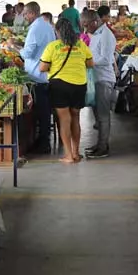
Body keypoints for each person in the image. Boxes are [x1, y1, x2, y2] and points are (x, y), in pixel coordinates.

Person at [39, 17, 94, 164]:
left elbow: (42, 68)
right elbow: (90, 64)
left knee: (64, 120)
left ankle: (68, 155)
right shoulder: (81, 45)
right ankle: (76, 153)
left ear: (57, 31)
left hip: (59, 86)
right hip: (79, 85)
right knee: (75, 118)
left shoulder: (53, 46)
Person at [20, 2, 56, 153]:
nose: (24, 16)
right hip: (44, 73)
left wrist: (15, 49)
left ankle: (44, 143)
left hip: (38, 75)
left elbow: (28, 53)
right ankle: (42, 139)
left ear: (33, 13)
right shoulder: (46, 25)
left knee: (42, 110)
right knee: (44, 110)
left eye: (26, 13)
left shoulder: (35, 28)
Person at [83, 9, 117, 159]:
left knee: (103, 115)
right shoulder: (96, 34)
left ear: (95, 22)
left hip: (104, 79)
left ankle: (103, 147)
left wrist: (88, 62)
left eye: (86, 25)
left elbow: (106, 59)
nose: (85, 29)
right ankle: (99, 144)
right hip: (96, 78)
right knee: (97, 115)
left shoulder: (106, 35)